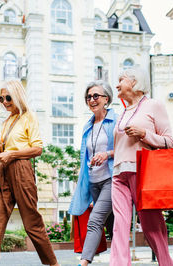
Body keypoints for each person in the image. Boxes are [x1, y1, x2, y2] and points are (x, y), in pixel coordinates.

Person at [0, 80, 59, 266]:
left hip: (21, 170)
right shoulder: (7, 121)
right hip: (3, 172)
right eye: (1, 98)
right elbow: (5, 152)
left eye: (8, 97)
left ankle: (53, 264)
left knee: (32, 224)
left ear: (17, 96)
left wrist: (12, 153)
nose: (4, 102)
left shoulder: (28, 116)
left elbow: (38, 149)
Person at [110, 67, 173, 266]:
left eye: (121, 79)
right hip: (118, 173)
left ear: (135, 82)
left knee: (151, 225)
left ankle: (166, 263)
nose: (117, 84)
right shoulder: (123, 112)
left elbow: (169, 141)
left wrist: (144, 134)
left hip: (143, 171)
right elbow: (120, 146)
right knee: (119, 225)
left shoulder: (154, 105)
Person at [68, 80, 117, 266]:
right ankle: (120, 259)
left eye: (96, 96)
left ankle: (84, 263)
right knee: (111, 225)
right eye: (88, 97)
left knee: (95, 221)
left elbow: (127, 150)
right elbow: (85, 157)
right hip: (93, 181)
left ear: (106, 99)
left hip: (110, 180)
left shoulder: (116, 121)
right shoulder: (87, 126)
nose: (91, 100)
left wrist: (107, 154)